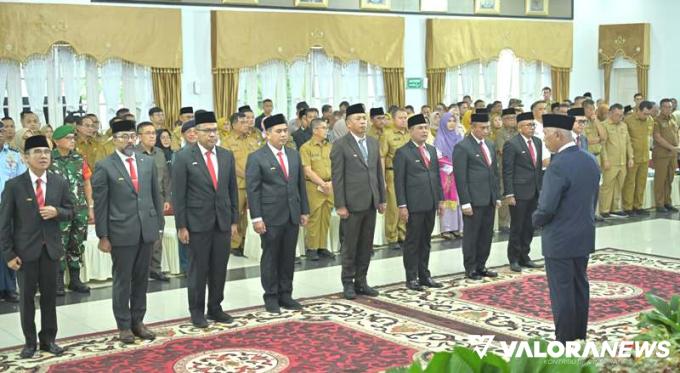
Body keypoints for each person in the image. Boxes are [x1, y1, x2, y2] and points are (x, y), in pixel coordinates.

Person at [0, 135, 73, 358]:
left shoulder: (59, 181)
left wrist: (56, 212)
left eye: (46, 152)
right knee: (27, 299)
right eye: (37, 152)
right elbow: (4, 223)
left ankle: (49, 339)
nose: (43, 156)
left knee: (50, 298)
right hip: (24, 253)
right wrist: (9, 254)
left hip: (50, 251)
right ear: (25, 157)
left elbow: (71, 211)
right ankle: (29, 342)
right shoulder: (14, 186)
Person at [92, 119, 163, 344]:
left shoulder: (146, 162)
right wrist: (102, 235)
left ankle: (138, 322)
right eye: (123, 136)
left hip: (146, 230)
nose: (129, 140)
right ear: (114, 139)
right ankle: (123, 325)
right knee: (123, 280)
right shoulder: (105, 166)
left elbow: (155, 196)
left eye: (132, 136)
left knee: (142, 279)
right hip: (121, 232)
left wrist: (158, 225)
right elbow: (101, 203)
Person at [532, 114, 600, 343]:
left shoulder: (558, 165)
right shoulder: (590, 160)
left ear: (559, 135)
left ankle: (564, 341)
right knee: (580, 288)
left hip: (560, 239)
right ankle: (579, 336)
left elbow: (547, 207)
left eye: (546, 135)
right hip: (583, 234)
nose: (544, 139)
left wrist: (532, 222)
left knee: (562, 293)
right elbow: (593, 200)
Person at [173, 111, 239, 326]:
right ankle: (197, 311)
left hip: (222, 222)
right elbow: (179, 194)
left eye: (214, 130)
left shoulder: (226, 155)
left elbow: (232, 191)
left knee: (219, 268)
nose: (212, 135)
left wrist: (234, 221)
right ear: (196, 133)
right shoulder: (183, 157)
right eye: (207, 131)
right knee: (198, 270)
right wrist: (181, 225)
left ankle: (216, 307)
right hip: (197, 223)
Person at [246, 113, 309, 314]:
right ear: (267, 134)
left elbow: (300, 185)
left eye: (285, 130)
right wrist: (256, 218)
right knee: (271, 257)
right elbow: (253, 190)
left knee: (288, 256)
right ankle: (271, 296)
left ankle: (286, 294)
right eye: (278, 131)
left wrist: (304, 210)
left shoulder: (293, 154)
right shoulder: (256, 157)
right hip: (270, 216)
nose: (283, 135)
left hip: (292, 214)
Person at [331, 104, 386, 300]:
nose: (363, 121)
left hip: (371, 202)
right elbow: (337, 178)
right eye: (358, 118)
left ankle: (361, 281)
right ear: (348, 124)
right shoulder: (340, 145)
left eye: (364, 118)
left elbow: (378, 172)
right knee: (350, 246)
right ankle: (348, 282)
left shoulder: (372, 142)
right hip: (352, 204)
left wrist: (382, 198)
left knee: (366, 245)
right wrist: (340, 205)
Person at [394, 114, 444, 291]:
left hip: (430, 203)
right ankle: (411, 277)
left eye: (426, 127)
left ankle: (425, 275)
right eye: (420, 128)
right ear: (410, 131)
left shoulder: (431, 150)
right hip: (413, 205)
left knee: (426, 241)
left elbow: (437, 176)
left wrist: (440, 200)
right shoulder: (403, 152)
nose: (424, 131)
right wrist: (402, 205)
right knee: (413, 242)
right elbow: (398, 182)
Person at [452, 112, 501, 280]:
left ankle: (481, 265)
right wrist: (465, 202)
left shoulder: (490, 144)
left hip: (489, 198)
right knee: (472, 235)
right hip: (473, 199)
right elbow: (460, 177)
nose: (486, 131)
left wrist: (497, 196)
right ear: (473, 127)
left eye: (488, 127)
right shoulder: (463, 147)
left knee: (486, 234)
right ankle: (470, 267)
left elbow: (494, 173)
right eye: (483, 128)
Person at [49, 125, 93, 295]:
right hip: (59, 210)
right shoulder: (49, 160)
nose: (72, 141)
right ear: (56, 141)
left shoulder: (79, 159)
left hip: (79, 209)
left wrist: (90, 207)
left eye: (73, 138)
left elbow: (87, 182)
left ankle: (75, 279)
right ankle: (58, 280)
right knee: (59, 244)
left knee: (77, 243)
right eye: (68, 138)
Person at [502, 112, 543, 272]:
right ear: (519, 128)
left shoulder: (538, 142)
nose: (531, 127)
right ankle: (513, 259)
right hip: (518, 193)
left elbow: (537, 168)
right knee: (517, 227)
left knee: (529, 226)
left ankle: (525, 256)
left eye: (533, 125)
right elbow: (507, 171)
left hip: (534, 191)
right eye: (528, 125)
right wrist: (509, 193)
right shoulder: (512, 144)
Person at [135, 122, 172, 282]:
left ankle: (155, 269)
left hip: (159, 199)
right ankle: (140, 270)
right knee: (141, 236)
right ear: (139, 136)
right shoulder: (134, 154)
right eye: (147, 133)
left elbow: (166, 178)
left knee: (158, 235)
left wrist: (167, 199)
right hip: (141, 200)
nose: (152, 136)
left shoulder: (159, 153)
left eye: (153, 133)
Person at [221, 112, 260, 257]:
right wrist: (247, 176)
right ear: (234, 125)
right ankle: (234, 244)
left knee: (250, 215)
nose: (247, 124)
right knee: (235, 214)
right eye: (243, 122)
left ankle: (245, 242)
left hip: (253, 184)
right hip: (237, 183)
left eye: (247, 121)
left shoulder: (253, 139)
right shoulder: (227, 142)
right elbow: (229, 164)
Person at [300, 118, 335, 261]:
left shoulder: (330, 146)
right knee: (314, 217)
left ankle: (322, 246)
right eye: (323, 128)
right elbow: (307, 170)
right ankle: (312, 248)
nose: (326, 130)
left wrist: (331, 183)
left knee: (326, 217)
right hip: (314, 186)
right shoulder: (306, 147)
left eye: (327, 128)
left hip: (330, 185)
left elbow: (336, 166)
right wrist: (322, 183)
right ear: (315, 130)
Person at [0, 120, 26, 303]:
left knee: (7, 247)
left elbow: (22, 180)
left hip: (7, 207)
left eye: (2, 130)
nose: (2, 132)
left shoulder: (14, 155)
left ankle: (8, 288)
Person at [380, 108, 410, 250]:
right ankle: (392, 237)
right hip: (392, 173)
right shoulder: (387, 135)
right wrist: (382, 178)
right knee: (393, 206)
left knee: (405, 204)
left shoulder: (410, 133)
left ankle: (403, 234)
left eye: (405, 117)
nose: (404, 120)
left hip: (409, 174)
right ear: (393, 119)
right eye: (400, 118)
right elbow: (381, 157)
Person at [599, 104, 634, 218]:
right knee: (607, 186)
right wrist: (605, 160)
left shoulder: (623, 125)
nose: (620, 117)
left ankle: (615, 208)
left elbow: (628, 143)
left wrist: (631, 157)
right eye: (617, 115)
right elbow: (602, 145)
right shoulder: (604, 125)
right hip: (611, 162)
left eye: (621, 115)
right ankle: (605, 210)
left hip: (623, 161)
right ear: (610, 113)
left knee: (619, 186)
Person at [433, 112, 464, 240]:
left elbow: (464, 153)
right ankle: (447, 229)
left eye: (453, 120)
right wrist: (451, 167)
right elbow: (438, 158)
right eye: (448, 121)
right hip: (446, 173)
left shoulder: (459, 137)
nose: (451, 123)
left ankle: (457, 228)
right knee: (447, 200)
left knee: (459, 200)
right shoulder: (439, 138)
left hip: (458, 173)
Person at [622, 100, 654, 215]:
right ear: (638, 110)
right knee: (630, 183)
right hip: (633, 157)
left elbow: (649, 137)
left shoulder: (650, 120)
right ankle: (628, 207)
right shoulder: (628, 120)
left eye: (649, 114)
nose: (646, 116)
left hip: (645, 157)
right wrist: (629, 156)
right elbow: (625, 141)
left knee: (641, 183)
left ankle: (638, 206)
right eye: (645, 113)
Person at [652, 99, 679, 212]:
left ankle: (667, 202)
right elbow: (657, 137)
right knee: (660, 179)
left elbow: (676, 133)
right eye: (666, 107)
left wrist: (676, 146)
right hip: (662, 154)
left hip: (672, 155)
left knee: (669, 179)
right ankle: (659, 204)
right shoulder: (656, 121)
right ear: (661, 108)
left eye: (670, 107)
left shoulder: (673, 119)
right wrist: (671, 147)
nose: (669, 109)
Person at [495, 108, 519, 233]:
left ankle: (512, 221)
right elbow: (502, 150)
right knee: (505, 193)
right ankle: (503, 223)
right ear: (503, 120)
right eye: (509, 118)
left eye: (514, 118)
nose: (512, 121)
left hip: (518, 168)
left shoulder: (518, 132)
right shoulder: (500, 133)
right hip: (504, 168)